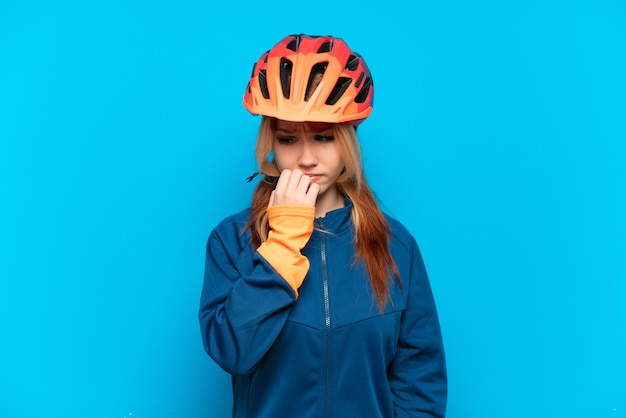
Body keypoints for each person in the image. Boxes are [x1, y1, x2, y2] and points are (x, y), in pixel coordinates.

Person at [199, 34, 447, 418]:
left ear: (348, 141)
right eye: (287, 139)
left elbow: (419, 380)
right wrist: (283, 245)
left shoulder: (395, 244)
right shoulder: (232, 241)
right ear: (270, 143)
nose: (306, 158)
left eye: (324, 137)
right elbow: (233, 352)